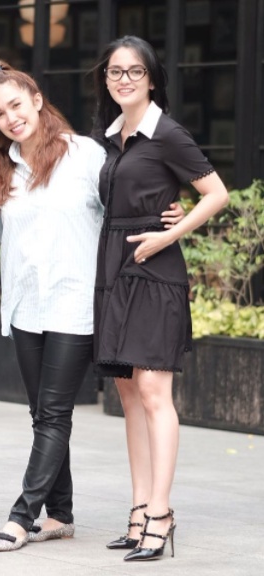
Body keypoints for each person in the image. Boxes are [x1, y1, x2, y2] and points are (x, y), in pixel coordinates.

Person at [0, 61, 184, 553]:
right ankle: (61, 514)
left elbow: (130, 200)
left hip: (75, 304)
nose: (10, 118)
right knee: (41, 414)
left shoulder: (85, 155)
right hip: (25, 306)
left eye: (16, 105)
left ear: (36, 99)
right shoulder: (3, 167)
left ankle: (21, 516)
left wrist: (171, 211)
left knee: (54, 414)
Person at [92, 35, 229, 562]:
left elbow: (216, 193)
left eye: (135, 71)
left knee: (153, 391)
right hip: (115, 269)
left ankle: (161, 512)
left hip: (155, 270)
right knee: (127, 393)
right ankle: (138, 511)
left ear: (151, 79)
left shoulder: (167, 132)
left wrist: (172, 232)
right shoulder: (113, 136)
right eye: (115, 71)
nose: (124, 79)